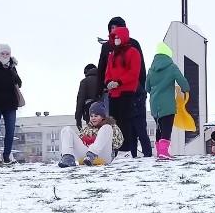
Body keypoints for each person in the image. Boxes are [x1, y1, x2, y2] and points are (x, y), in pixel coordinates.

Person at [145, 42, 190, 160]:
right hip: (168, 103)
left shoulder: (151, 69)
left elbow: (147, 88)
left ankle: (160, 152)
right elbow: (183, 83)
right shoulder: (172, 67)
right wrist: (185, 90)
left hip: (154, 103)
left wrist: (156, 93)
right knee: (167, 128)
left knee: (158, 127)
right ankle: (164, 152)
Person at [104, 26, 142, 155]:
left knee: (126, 122)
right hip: (113, 94)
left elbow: (134, 72)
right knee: (114, 122)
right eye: (114, 37)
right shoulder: (112, 55)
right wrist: (108, 82)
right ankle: (116, 148)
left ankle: (126, 149)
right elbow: (107, 71)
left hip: (126, 92)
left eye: (118, 37)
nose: (116, 40)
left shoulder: (133, 52)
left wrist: (119, 82)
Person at [57, 101, 124, 167]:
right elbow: (78, 142)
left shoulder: (111, 126)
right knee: (66, 130)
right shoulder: (86, 128)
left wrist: (100, 138)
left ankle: (92, 154)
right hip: (85, 156)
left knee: (106, 127)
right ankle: (67, 158)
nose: (93, 118)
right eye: (91, 116)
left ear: (102, 117)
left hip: (103, 155)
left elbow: (118, 143)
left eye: (96, 116)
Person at [75, 64, 100, 130]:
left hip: (90, 112)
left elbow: (80, 101)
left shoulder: (84, 82)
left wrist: (78, 119)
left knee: (92, 135)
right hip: (105, 112)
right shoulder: (103, 79)